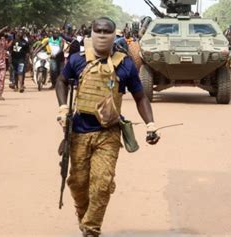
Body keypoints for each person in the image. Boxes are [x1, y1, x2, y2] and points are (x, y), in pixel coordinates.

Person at [55, 17, 160, 237]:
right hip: (79, 132)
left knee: (102, 184)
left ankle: (91, 230)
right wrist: (63, 108)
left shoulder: (125, 65)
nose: (102, 35)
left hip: (108, 133)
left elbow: (140, 97)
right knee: (77, 183)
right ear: (92, 32)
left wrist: (150, 124)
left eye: (107, 31)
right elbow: (61, 81)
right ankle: (84, 217)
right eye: (98, 30)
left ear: (115, 35)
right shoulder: (77, 60)